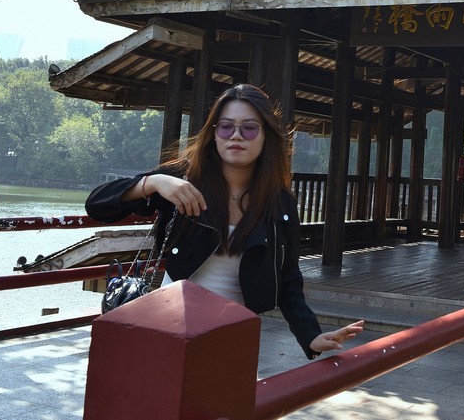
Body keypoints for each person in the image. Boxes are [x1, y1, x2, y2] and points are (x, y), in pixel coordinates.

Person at [86, 83, 363, 358]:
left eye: (249, 128)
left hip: (233, 331)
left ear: (266, 135)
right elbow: (97, 206)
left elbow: (289, 279)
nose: (236, 136)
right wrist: (154, 183)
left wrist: (311, 335)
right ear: (214, 133)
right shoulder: (183, 180)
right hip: (171, 323)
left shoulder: (280, 203)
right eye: (226, 126)